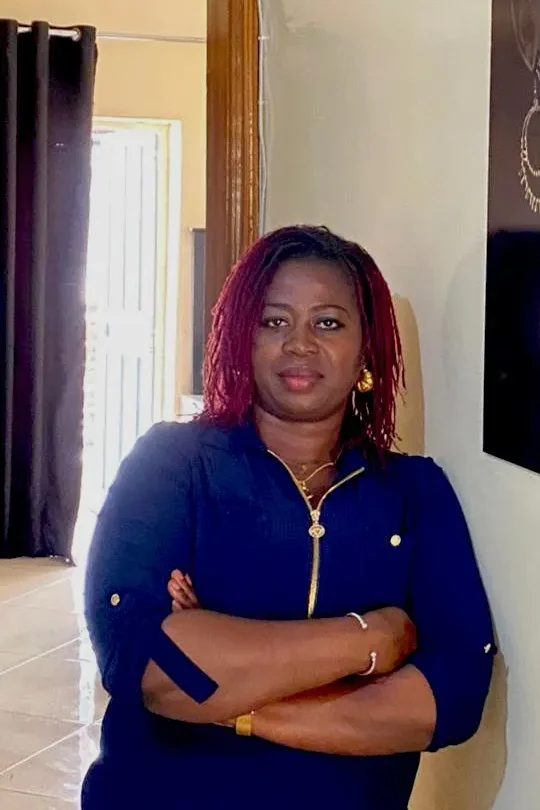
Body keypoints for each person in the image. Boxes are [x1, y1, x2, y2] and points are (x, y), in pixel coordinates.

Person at [81, 225, 496, 810]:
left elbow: (452, 698)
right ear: (243, 338)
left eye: (328, 323)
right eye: (274, 321)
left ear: (366, 350)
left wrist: (226, 696)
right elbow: (144, 661)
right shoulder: (172, 463)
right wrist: (373, 638)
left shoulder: (415, 492)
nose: (299, 344)